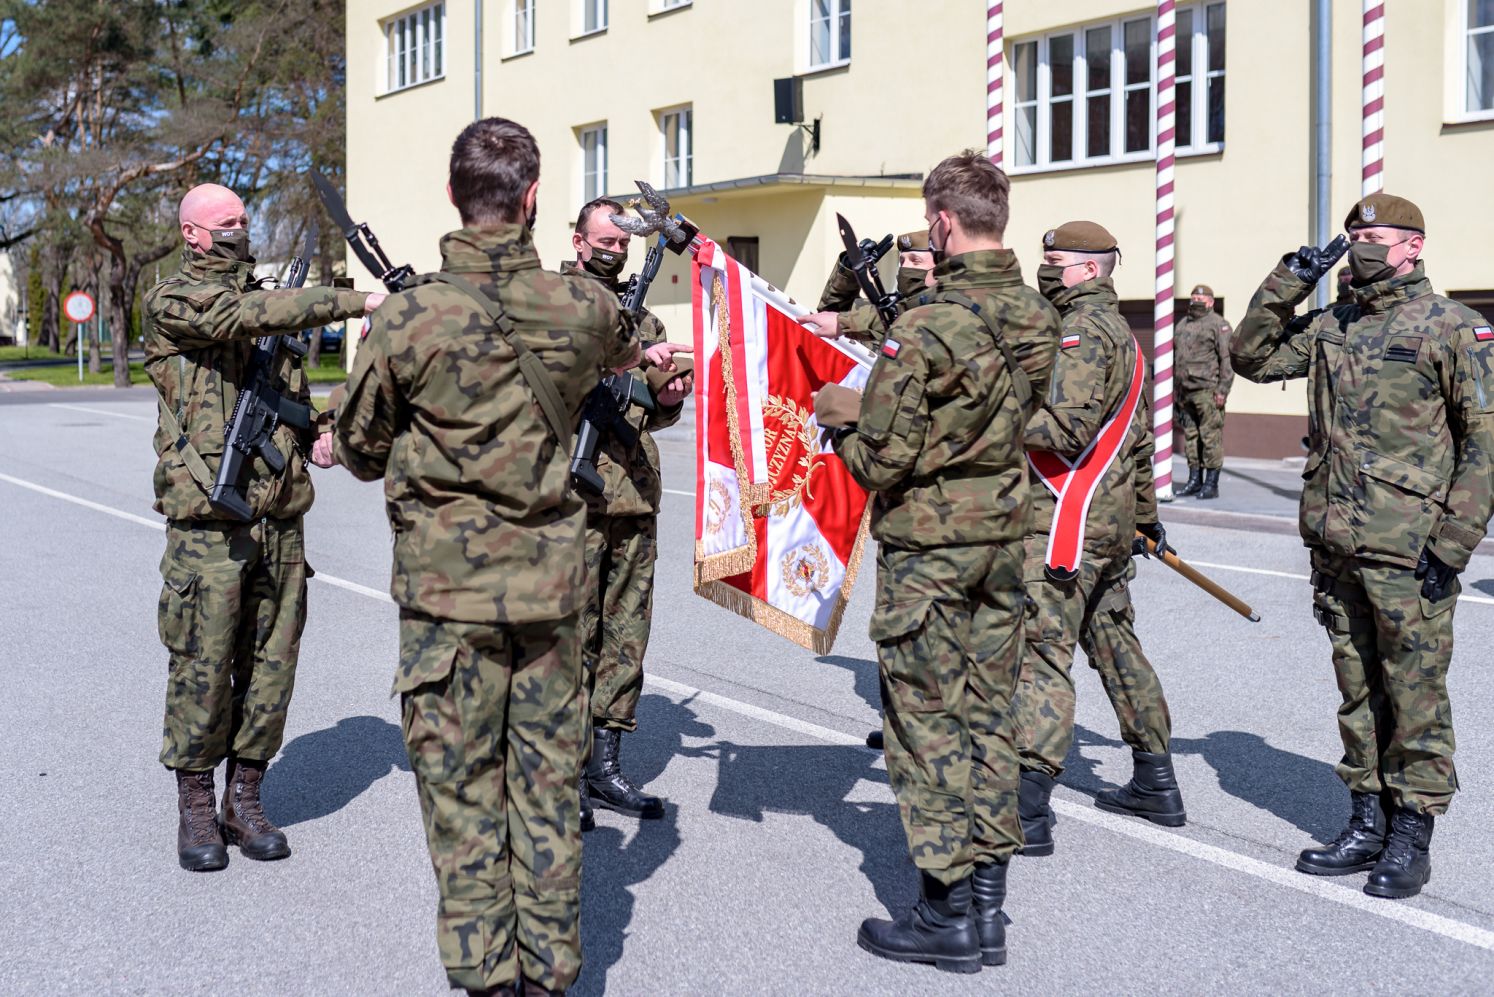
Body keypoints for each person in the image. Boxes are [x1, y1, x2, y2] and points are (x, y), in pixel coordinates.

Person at [323, 117, 638, 994]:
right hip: (551, 592)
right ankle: (552, 975)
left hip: (447, 601)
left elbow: (357, 447)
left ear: (454, 195)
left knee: (462, 802)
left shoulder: (409, 317)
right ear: (534, 198)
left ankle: (485, 979)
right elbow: (621, 354)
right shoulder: (585, 306)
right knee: (546, 795)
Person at [804, 150, 1059, 973]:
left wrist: (842, 424)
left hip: (930, 552)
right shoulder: (1036, 312)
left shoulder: (924, 324)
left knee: (924, 727)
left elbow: (883, 458)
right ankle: (988, 906)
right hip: (1002, 541)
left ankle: (943, 911)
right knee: (990, 715)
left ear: (942, 222)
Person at [1232, 192, 1494, 900]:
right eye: (1353, 236)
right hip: (1336, 540)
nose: (1360, 246)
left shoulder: (1454, 328)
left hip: (1411, 548)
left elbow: (1485, 445)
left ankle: (1412, 831)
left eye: (1375, 235)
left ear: (1414, 245)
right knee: (1357, 688)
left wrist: (1455, 543)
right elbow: (1249, 355)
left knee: (1415, 693)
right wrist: (1290, 277)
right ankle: (1366, 818)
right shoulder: (1332, 323)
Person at [144, 182, 384, 873]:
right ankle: (195, 806)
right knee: (203, 665)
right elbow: (241, 315)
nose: (239, 229)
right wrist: (358, 299)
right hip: (209, 524)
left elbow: (290, 397)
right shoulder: (177, 300)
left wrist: (320, 432)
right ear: (192, 233)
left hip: (280, 518)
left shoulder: (265, 314)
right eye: (226, 222)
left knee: (272, 665)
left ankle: (244, 797)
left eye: (244, 219)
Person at [1010, 221, 1183, 858]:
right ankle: (1155, 779)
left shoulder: (1077, 333)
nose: (1045, 269)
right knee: (1114, 642)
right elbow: (1136, 441)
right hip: (1109, 521)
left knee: (1042, 653)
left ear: (1090, 269)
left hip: (1065, 519)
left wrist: (988, 411)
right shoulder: (1127, 338)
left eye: (1054, 260)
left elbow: (1065, 428)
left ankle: (1029, 809)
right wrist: (1144, 516)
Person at [562, 197, 694, 829]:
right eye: (605, 243)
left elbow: (653, 409)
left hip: (634, 498)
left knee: (625, 637)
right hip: (573, 498)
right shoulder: (556, 303)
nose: (614, 253)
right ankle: (563, 775)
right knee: (570, 637)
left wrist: (669, 393)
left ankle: (605, 768)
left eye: (623, 245)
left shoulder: (646, 323)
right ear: (578, 240)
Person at [813, 228, 936, 751]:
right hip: (890, 482)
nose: (907, 267)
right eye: (902, 259)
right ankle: (901, 722)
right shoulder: (890, 311)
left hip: (925, 491)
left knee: (922, 621)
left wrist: (852, 317)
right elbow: (823, 317)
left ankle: (924, 728)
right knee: (896, 619)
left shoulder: (930, 318)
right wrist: (850, 267)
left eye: (917, 259)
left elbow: (849, 321)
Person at [1173, 283, 1233, 499]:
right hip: (1185, 392)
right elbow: (1176, 358)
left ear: (1211, 302)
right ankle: (1194, 480)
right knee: (1191, 437)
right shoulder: (1183, 324)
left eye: (1201, 299)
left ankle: (1211, 484)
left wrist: (1222, 390)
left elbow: (1227, 360)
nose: (1196, 302)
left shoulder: (1218, 325)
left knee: (1210, 438)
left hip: (1207, 391)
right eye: (1193, 299)